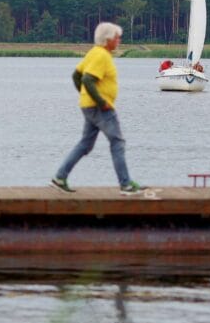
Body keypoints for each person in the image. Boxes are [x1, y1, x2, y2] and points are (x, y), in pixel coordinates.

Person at [51, 22, 143, 195]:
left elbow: (76, 75)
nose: (119, 40)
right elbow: (86, 79)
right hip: (101, 108)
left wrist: (84, 95)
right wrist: (101, 102)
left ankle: (60, 177)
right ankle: (126, 185)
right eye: (116, 37)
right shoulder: (101, 56)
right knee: (117, 142)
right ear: (107, 39)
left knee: (85, 144)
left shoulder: (94, 52)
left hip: (89, 106)